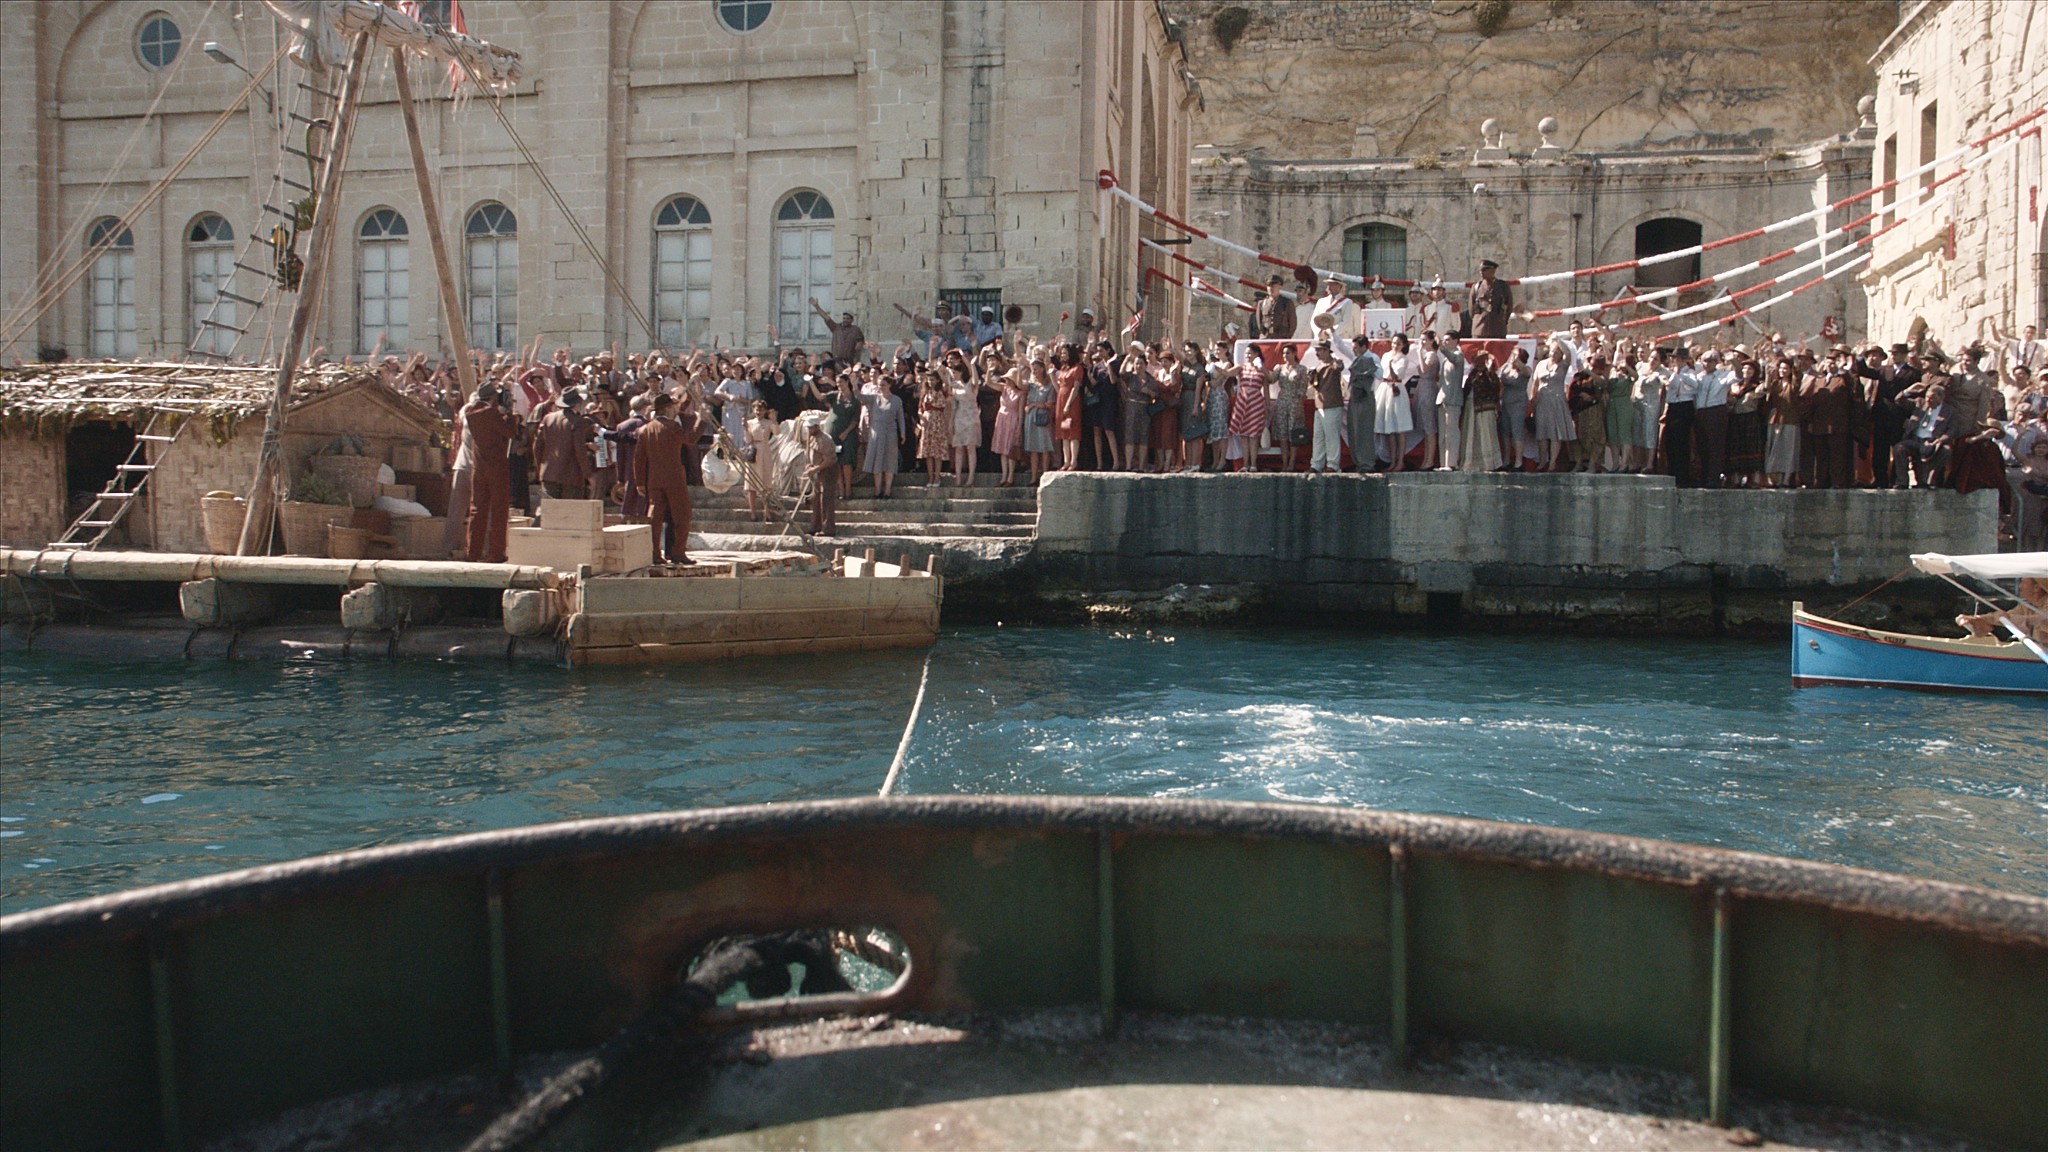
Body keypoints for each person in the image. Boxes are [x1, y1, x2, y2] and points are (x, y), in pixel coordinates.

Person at [635, 392, 695, 565]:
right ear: (667, 408)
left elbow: (639, 458)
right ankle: (678, 552)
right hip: (674, 478)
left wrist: (640, 482)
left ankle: (654, 553)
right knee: (682, 516)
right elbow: (690, 439)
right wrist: (701, 421)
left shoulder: (645, 429)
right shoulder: (672, 427)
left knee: (655, 517)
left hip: (654, 479)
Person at [461, 383, 518, 564]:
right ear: (492, 397)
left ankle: (472, 552)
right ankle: (496, 553)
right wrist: (510, 415)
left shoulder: (470, 413)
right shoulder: (491, 414)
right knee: (499, 509)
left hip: (479, 467)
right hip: (496, 466)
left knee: (477, 510)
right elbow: (510, 432)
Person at [535, 389, 594, 500]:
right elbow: (579, 450)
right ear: (577, 404)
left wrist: (540, 467)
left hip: (548, 472)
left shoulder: (548, 418)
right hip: (571, 475)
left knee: (550, 509)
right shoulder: (577, 421)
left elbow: (537, 446)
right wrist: (588, 474)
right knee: (570, 509)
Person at [1306, 339, 1347, 475]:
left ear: (1327, 351)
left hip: (1332, 404)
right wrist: (1311, 377)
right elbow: (1314, 385)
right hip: (1319, 405)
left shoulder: (1333, 364)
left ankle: (1333, 464)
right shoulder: (1318, 366)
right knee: (1318, 437)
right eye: (1316, 350)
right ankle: (1316, 464)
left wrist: (1336, 360)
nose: (1317, 353)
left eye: (1319, 350)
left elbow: (1339, 367)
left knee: (1331, 436)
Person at [1460, 351, 1503, 472]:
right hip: (1471, 407)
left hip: (1486, 408)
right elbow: (1466, 389)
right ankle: (1472, 462)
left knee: (1486, 434)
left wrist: (1489, 370)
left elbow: (1495, 388)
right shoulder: (1473, 374)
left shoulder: (1490, 375)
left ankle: (1488, 463)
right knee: (1472, 434)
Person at [1268, 342, 1308, 472]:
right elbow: (1271, 380)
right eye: (1284, 353)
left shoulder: (1301, 369)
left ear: (1294, 353)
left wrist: (1299, 406)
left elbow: (1303, 389)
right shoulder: (1280, 368)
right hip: (1282, 402)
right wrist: (1262, 368)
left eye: (1288, 353)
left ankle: (1292, 463)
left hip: (1294, 402)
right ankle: (1284, 463)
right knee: (1283, 434)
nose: (1285, 355)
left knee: (1293, 434)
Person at [864, 378, 906, 497]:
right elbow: (860, 397)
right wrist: (854, 385)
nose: (881, 387)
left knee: (889, 461)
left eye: (883, 385)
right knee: (877, 461)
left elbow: (900, 417)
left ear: (889, 385)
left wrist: (903, 433)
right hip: (876, 433)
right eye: (879, 385)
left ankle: (887, 490)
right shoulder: (874, 398)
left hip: (890, 433)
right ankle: (877, 490)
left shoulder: (896, 400)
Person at [1228, 351, 1268, 471]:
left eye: (1250, 353)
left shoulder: (1261, 369)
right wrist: (1215, 367)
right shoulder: (1241, 368)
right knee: (1244, 435)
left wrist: (1267, 407)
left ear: (1256, 354)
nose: (1247, 355)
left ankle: (1253, 465)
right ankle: (1245, 465)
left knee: (1253, 436)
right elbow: (1227, 373)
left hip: (1256, 404)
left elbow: (1269, 383)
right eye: (1246, 353)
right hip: (1243, 403)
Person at [1345, 340, 1381, 473]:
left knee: (1365, 431)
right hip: (1355, 396)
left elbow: (1380, 374)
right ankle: (1359, 462)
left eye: (1356, 347)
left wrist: (1368, 369)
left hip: (1366, 397)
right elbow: (1342, 348)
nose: (1353, 350)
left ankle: (1367, 464)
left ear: (1364, 347)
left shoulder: (1372, 358)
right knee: (1354, 431)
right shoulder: (1356, 357)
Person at [1023, 352, 1057, 483]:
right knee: (1033, 449)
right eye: (1032, 370)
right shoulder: (1031, 385)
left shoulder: (1049, 386)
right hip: (1031, 419)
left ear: (1042, 369)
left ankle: (1044, 476)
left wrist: (1034, 405)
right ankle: (1033, 477)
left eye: (1036, 369)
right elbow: (1019, 385)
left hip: (1043, 419)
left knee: (1044, 448)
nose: (1034, 372)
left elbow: (1049, 404)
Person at [744, 400, 780, 521]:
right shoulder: (750, 423)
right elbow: (748, 440)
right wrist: (745, 429)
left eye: (761, 409)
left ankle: (767, 511)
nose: (758, 412)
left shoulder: (768, 423)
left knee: (766, 483)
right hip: (754, 451)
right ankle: (753, 513)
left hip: (765, 451)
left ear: (765, 411)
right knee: (752, 483)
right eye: (756, 409)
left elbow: (777, 432)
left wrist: (774, 420)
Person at [1053, 341, 1086, 471]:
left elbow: (1075, 388)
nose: (1062, 355)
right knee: (1064, 432)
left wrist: (1067, 404)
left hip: (1071, 402)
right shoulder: (1063, 368)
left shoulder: (1077, 368)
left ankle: (1073, 461)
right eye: (1062, 353)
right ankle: (1066, 461)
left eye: (1065, 353)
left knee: (1073, 432)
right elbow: (1058, 387)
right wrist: (1051, 375)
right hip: (1061, 400)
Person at [805, 419, 839, 537]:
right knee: (815, 500)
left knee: (826, 500)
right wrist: (810, 465)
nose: (809, 430)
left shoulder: (825, 439)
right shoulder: (811, 438)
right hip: (817, 471)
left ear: (817, 426)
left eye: (811, 427)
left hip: (828, 471)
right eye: (808, 428)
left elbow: (829, 460)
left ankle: (828, 528)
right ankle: (816, 526)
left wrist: (816, 468)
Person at [809, 297, 865, 367]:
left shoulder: (855, 330)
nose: (845, 320)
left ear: (852, 320)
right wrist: (817, 306)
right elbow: (826, 317)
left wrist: (856, 353)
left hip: (850, 361)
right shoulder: (836, 328)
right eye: (844, 318)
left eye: (848, 318)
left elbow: (860, 342)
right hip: (837, 361)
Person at [1468, 259, 1514, 339]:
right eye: (1480, 270)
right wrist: (1478, 320)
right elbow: (1471, 309)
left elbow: (1509, 306)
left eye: (1485, 270)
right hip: (1479, 329)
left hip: (1498, 329)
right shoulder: (1477, 287)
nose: (1481, 272)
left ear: (1493, 270)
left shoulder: (1503, 286)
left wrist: (1502, 321)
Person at [1253, 274, 1297, 341]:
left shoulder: (1287, 303)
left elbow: (1292, 323)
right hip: (1266, 338)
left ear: (1280, 287)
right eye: (1269, 286)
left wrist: (1287, 337)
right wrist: (1263, 334)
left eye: (1274, 286)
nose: (1271, 289)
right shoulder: (1262, 303)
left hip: (1282, 338)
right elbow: (1259, 322)